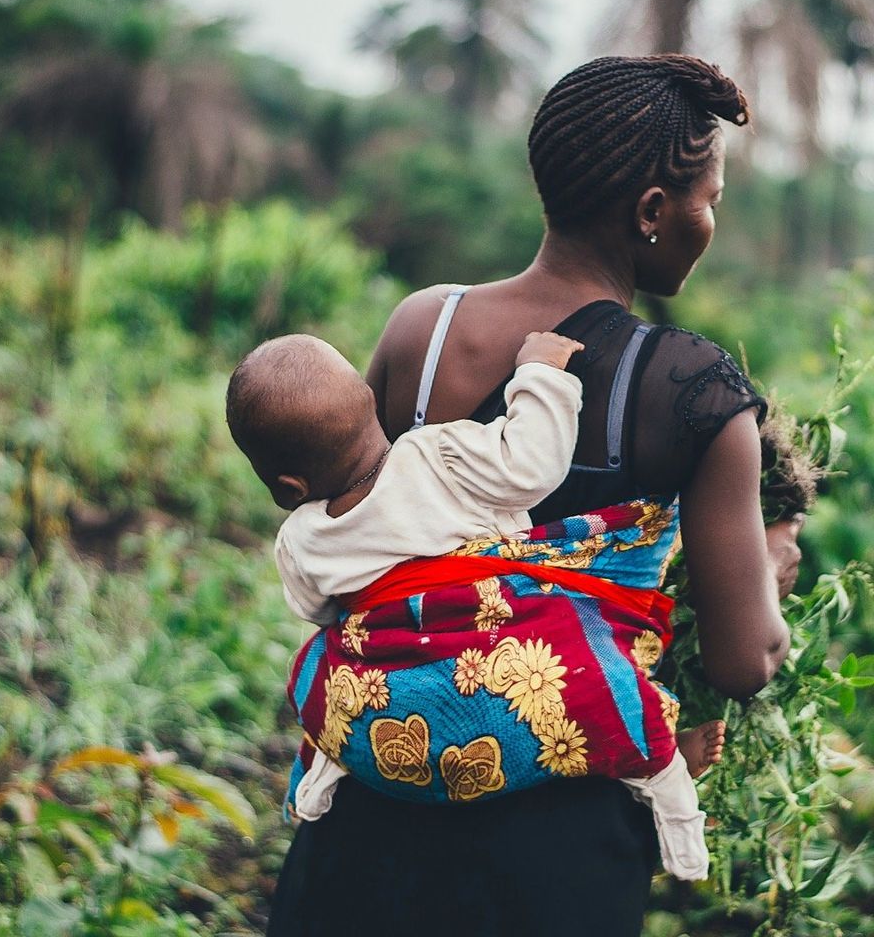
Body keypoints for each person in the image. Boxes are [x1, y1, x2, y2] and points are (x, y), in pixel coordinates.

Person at [267, 54, 803, 937]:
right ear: (651, 212)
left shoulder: (422, 330)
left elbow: (351, 513)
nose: (711, 222)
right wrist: (771, 569)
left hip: (372, 807)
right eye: (710, 199)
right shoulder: (694, 389)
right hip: (553, 859)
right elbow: (742, 664)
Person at [226, 329, 726, 881]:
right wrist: (541, 372)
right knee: (599, 682)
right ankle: (672, 803)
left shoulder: (300, 537)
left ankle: (323, 773)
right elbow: (532, 464)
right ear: (370, 402)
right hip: (500, 667)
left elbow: (320, 612)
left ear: (288, 487)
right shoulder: (437, 454)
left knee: (323, 668)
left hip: (392, 707)